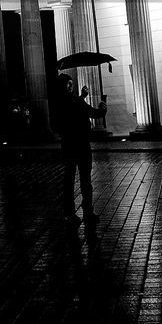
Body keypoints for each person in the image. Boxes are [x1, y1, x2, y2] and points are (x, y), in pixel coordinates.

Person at [52, 73, 106, 223]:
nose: (71, 85)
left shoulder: (59, 103)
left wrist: (82, 97)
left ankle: (69, 213)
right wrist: (103, 109)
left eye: (71, 83)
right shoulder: (75, 101)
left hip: (68, 144)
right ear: (63, 86)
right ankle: (88, 212)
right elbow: (94, 113)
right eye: (68, 83)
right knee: (85, 180)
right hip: (81, 144)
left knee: (69, 179)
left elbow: (60, 121)